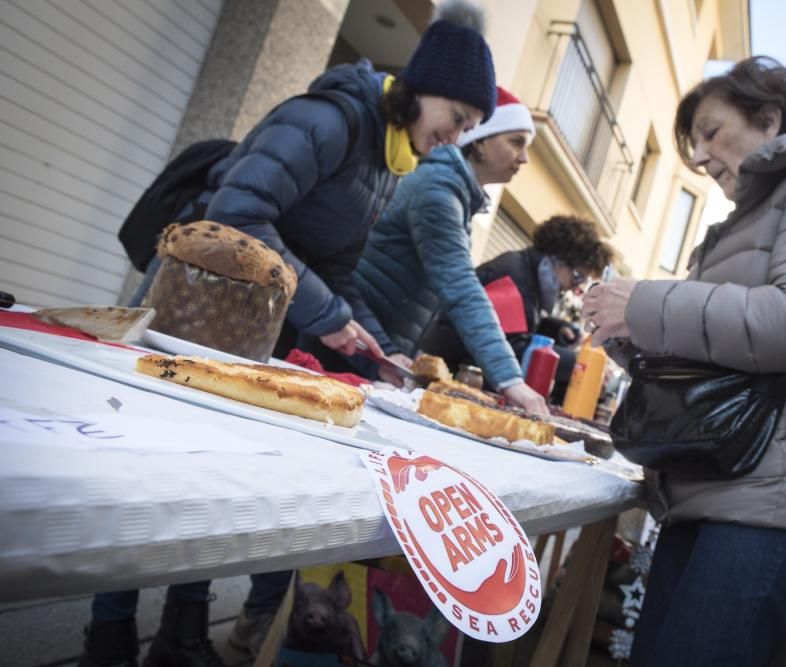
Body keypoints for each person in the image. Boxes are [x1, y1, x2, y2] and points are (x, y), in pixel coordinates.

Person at [85, 3, 497, 666]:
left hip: (251, 331)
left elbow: (333, 270)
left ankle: (182, 632)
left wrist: (367, 336)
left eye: (472, 128)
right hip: (194, 311)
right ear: (421, 90)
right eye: (458, 119)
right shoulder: (331, 119)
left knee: (213, 479)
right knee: (152, 474)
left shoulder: (391, 166)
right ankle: (108, 635)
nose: (457, 136)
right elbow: (238, 213)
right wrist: (330, 311)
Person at [581, 56, 786, 666]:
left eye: (709, 132)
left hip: (778, 491)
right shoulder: (745, 220)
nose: (699, 158)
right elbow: (715, 353)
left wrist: (646, 305)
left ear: (767, 117)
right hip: (720, 481)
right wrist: (626, 334)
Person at [352, 88, 549, 413]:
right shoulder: (438, 190)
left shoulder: (454, 190)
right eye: (516, 142)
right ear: (482, 140)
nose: (524, 158)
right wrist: (511, 380)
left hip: (376, 344)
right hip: (358, 341)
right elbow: (461, 287)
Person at [419, 214, 612, 403]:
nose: (574, 287)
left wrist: (555, 329)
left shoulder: (525, 275)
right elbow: (508, 346)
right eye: (577, 276)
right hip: (445, 378)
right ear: (557, 258)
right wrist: (576, 364)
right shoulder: (513, 277)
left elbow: (514, 324)